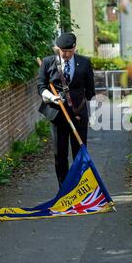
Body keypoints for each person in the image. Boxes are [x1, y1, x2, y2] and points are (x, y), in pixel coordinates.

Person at [37, 32, 95, 187]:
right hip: (57, 115)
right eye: (64, 52)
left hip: (78, 114)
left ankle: (79, 187)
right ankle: (64, 189)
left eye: (70, 51)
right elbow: (41, 86)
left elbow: (90, 90)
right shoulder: (48, 63)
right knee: (60, 153)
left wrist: (80, 103)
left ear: (75, 48)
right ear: (58, 49)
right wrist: (51, 97)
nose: (67, 54)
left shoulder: (84, 63)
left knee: (80, 152)